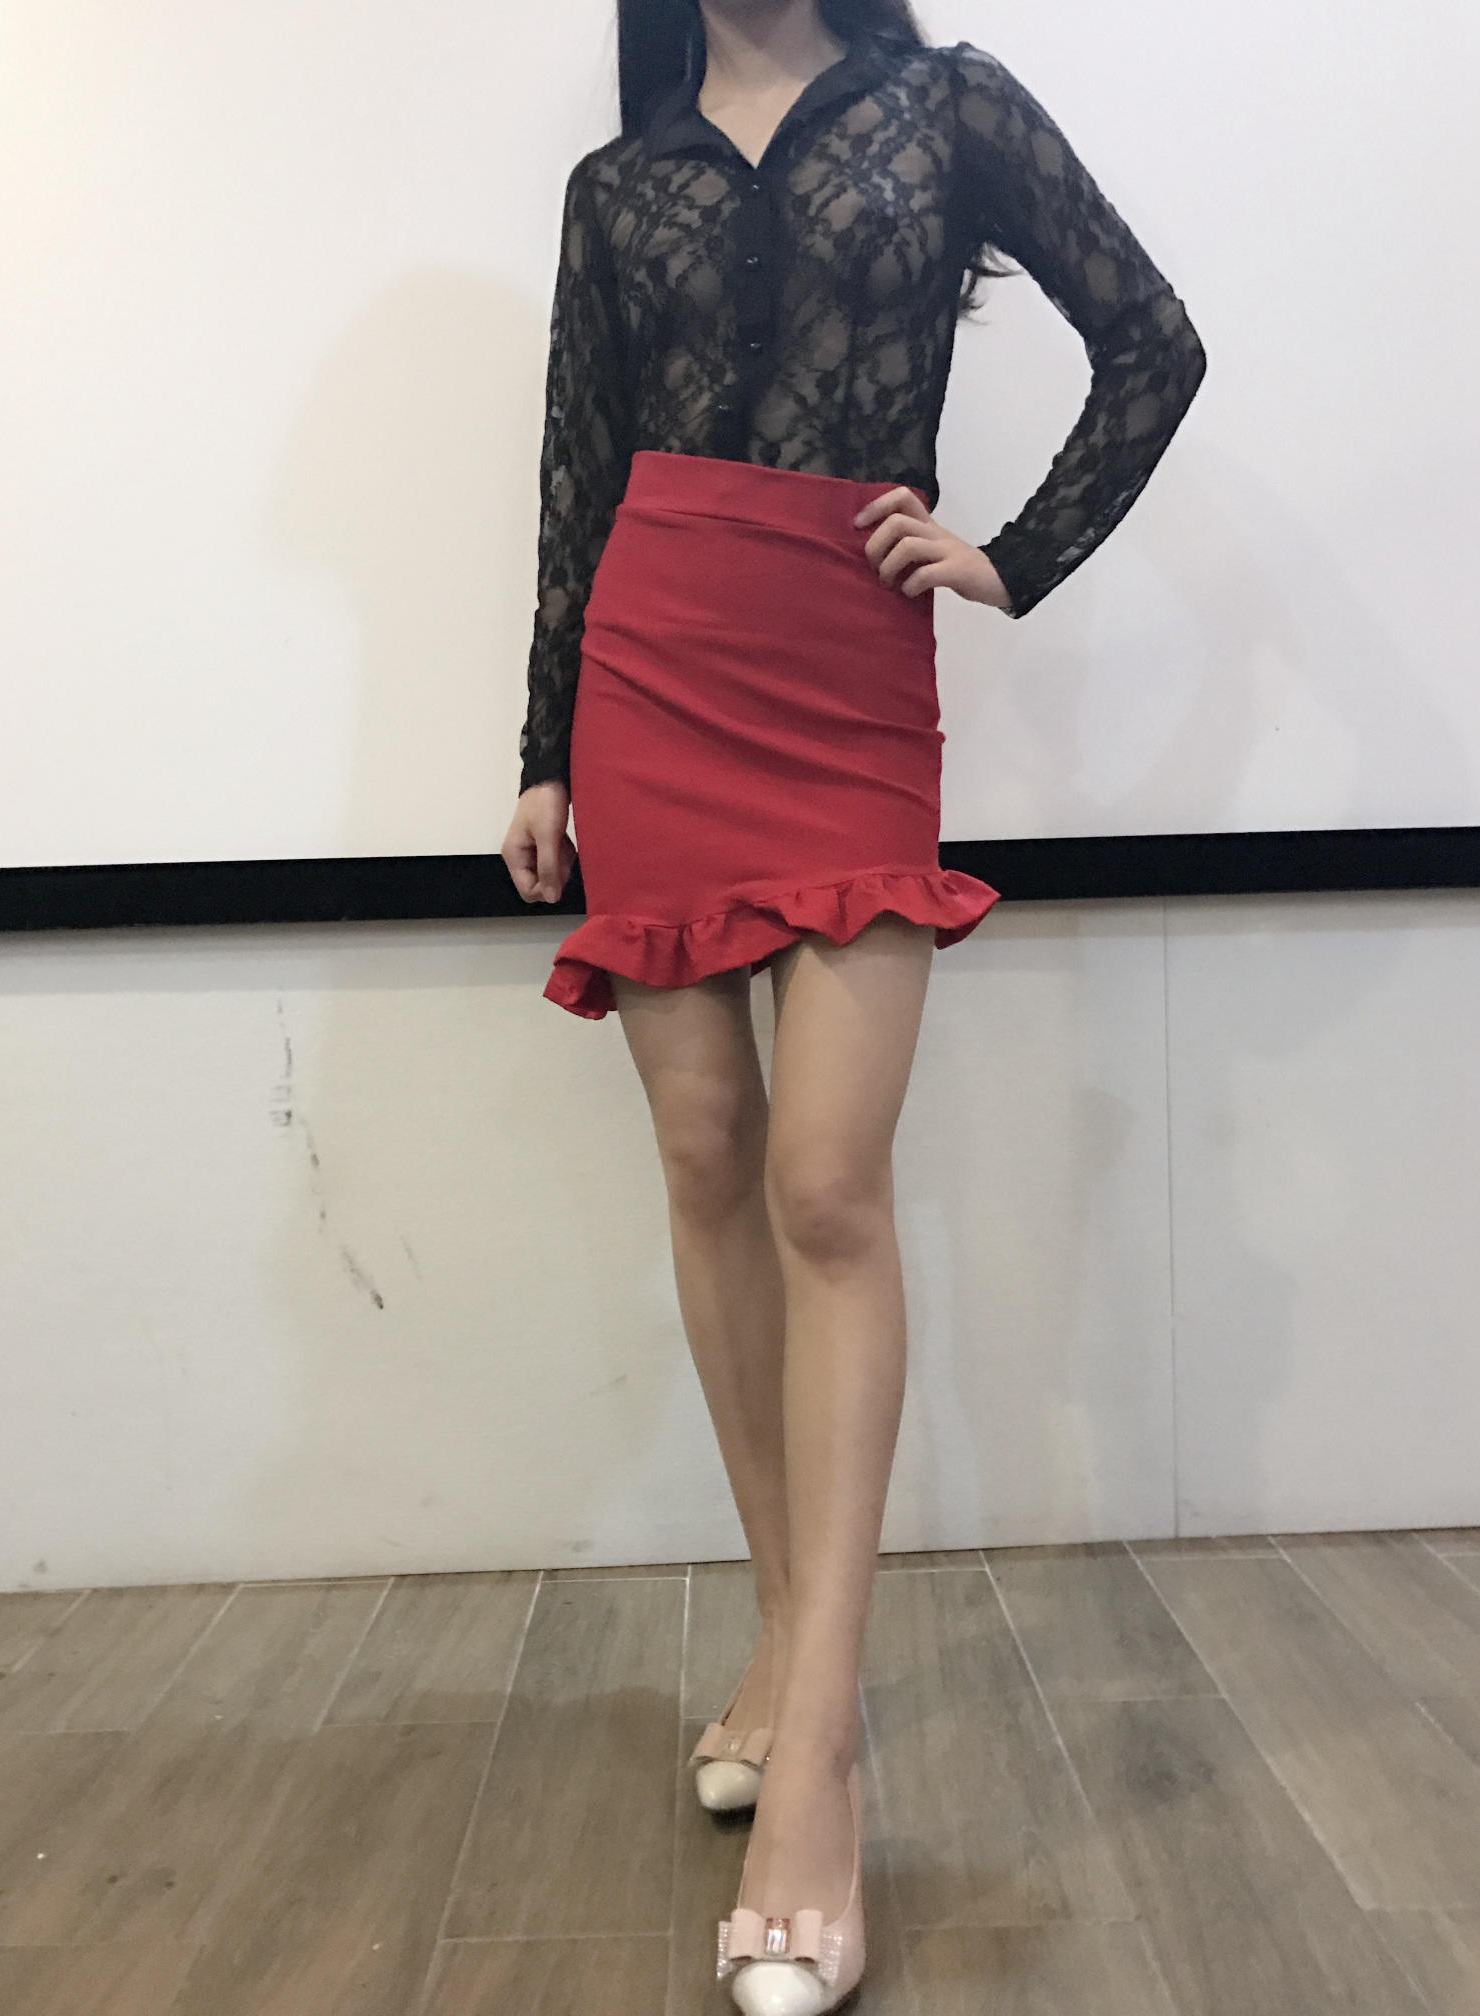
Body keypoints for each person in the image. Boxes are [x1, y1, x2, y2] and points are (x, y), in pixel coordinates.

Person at [501, 2, 1206, 2006]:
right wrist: (543, 749)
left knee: (825, 1183)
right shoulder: (622, 180)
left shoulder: (946, 104)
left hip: (842, 668)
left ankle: (814, 1753)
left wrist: (1014, 555)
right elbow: (577, 471)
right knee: (706, 1154)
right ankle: (786, 1649)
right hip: (649, 664)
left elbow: (1154, 343)